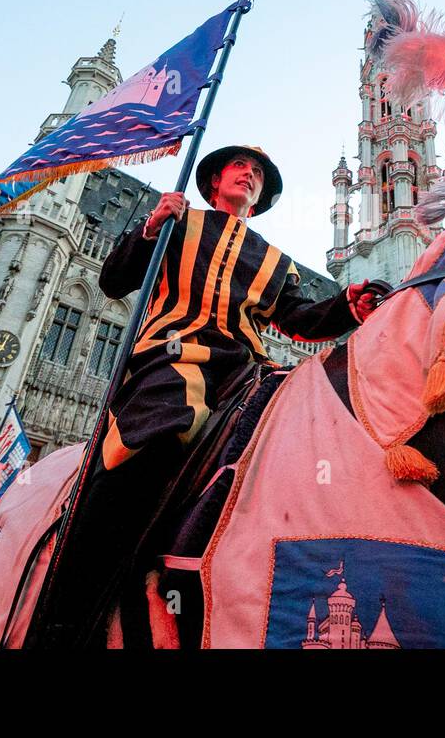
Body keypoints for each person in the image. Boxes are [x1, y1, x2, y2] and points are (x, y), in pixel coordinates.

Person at [31, 145, 381, 646]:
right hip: (173, 358)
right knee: (151, 437)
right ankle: (66, 615)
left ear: (260, 197)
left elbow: (299, 321)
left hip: (244, 372)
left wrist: (350, 306)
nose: (249, 174)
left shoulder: (275, 261)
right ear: (214, 180)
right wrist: (151, 228)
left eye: (257, 172)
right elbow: (112, 282)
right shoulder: (178, 223)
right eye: (240, 166)